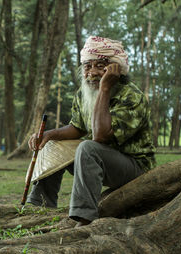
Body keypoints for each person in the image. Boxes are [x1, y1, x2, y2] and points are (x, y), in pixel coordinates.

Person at [27, 36, 156, 227]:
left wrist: (105, 88)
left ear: (116, 68)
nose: (92, 72)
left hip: (135, 166)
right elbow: (77, 127)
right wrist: (48, 135)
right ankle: (39, 206)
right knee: (53, 143)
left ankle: (84, 218)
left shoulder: (132, 96)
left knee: (88, 148)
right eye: (87, 66)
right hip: (99, 160)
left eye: (101, 65)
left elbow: (100, 136)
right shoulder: (83, 92)